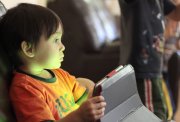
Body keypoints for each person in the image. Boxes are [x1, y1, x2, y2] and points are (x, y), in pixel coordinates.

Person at [0, 3, 106, 122]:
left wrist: (93, 95)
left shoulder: (59, 74)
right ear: (28, 49)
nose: (62, 47)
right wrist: (79, 116)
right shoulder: (25, 88)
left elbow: (81, 98)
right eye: (55, 40)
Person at [118, 0, 180, 121]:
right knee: (154, 115)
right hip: (142, 69)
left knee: (157, 113)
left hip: (152, 69)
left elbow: (176, 13)